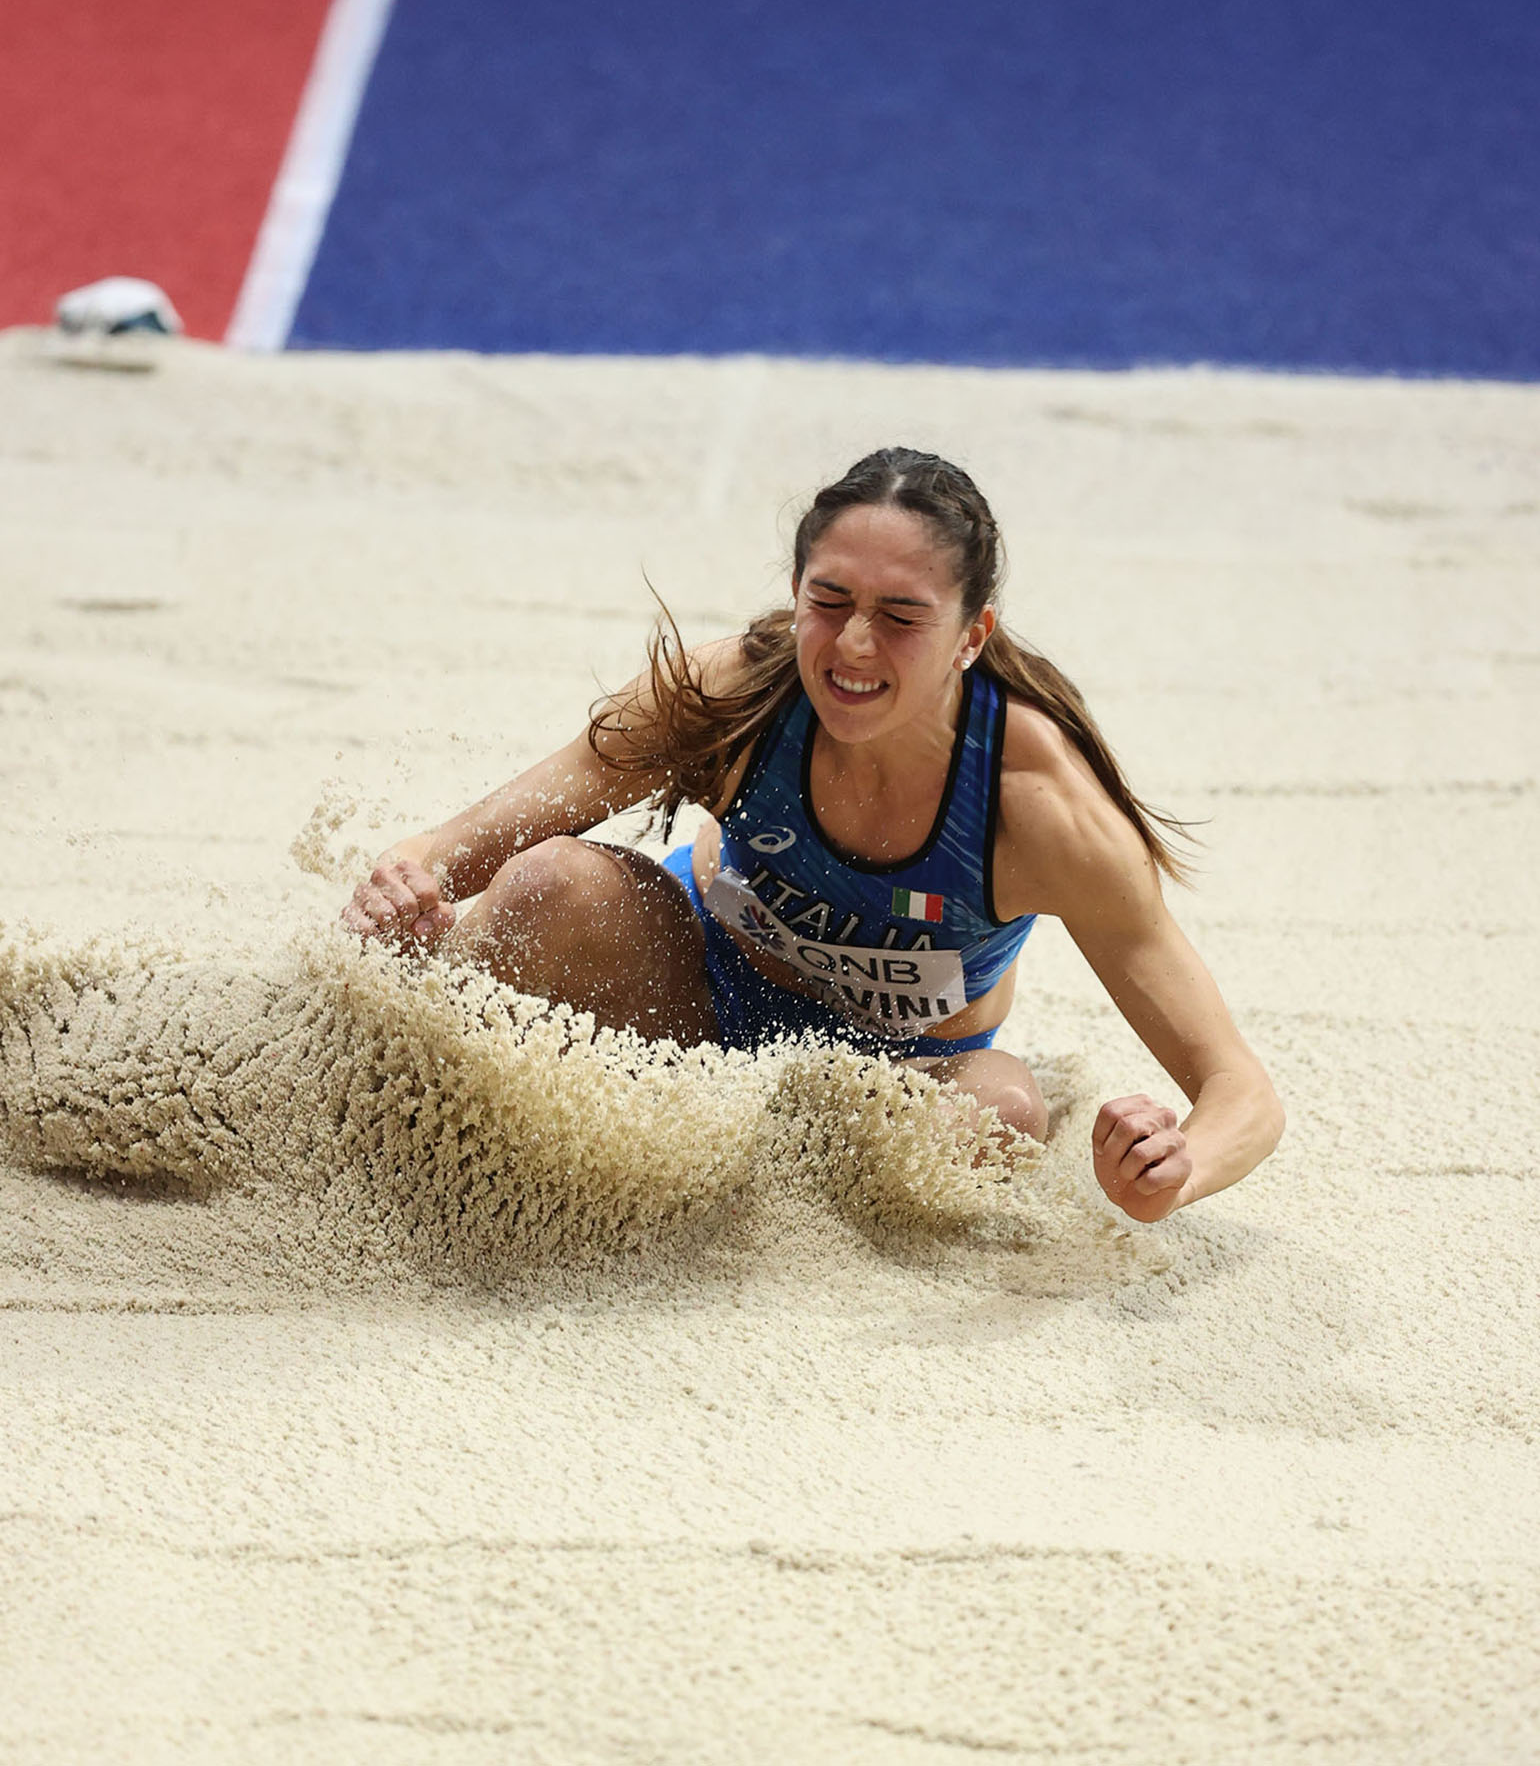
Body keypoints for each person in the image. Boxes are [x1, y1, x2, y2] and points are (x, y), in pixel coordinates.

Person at [343, 448, 1283, 1223]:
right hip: (691, 1003)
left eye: (902, 616)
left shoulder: (1040, 808)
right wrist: (410, 884)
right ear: (796, 590)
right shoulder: (732, 697)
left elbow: (1240, 1089)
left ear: (970, 635)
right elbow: (469, 839)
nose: (855, 646)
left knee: (1002, 1113)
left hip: (893, 1079)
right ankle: (390, 1110)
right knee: (547, 885)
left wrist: (1176, 1169)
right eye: (829, 601)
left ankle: (741, 1218)